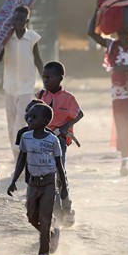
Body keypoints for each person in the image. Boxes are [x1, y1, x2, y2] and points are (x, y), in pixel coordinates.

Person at [88, 17, 128, 176]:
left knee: (127, 125)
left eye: (124, 32)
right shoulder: (112, 45)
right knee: (122, 125)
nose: (121, 35)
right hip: (117, 92)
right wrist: (98, 11)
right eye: (119, 32)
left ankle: (124, 163)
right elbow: (92, 34)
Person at [7, 103, 68, 255]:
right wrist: (13, 180)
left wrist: (64, 187)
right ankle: (51, 233)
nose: (29, 120)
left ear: (45, 120)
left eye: (34, 117)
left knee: (45, 218)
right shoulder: (25, 137)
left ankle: (43, 253)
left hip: (49, 183)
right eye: (28, 116)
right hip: (33, 183)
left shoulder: (52, 140)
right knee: (31, 216)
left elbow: (59, 165)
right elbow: (21, 159)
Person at [37, 61, 83, 226]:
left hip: (59, 142)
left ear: (60, 78)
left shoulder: (68, 98)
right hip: (41, 141)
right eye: (44, 77)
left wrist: (63, 128)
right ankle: (55, 210)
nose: (45, 80)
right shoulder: (41, 96)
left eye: (49, 77)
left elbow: (79, 114)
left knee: (59, 174)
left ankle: (67, 208)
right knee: (46, 175)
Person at [2, 5, 44, 156]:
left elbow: (38, 60)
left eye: (21, 19)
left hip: (26, 86)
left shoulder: (32, 38)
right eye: (16, 19)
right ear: (12, 20)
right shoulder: (6, 38)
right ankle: (16, 157)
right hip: (10, 86)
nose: (18, 22)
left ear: (27, 20)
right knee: (11, 121)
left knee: (21, 120)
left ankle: (21, 152)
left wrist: (45, 80)